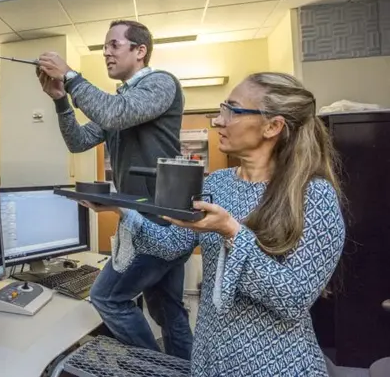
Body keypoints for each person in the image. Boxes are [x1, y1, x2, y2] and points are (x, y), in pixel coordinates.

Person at [87, 72, 346, 376]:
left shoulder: (313, 195)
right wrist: (122, 208)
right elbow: (172, 245)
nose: (218, 122)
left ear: (273, 126)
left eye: (233, 111)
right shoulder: (219, 183)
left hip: (275, 365)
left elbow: (293, 299)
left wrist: (231, 232)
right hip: (210, 360)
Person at [36, 20, 193, 359]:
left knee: (108, 297)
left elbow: (114, 113)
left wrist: (72, 76)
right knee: (167, 311)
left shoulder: (160, 83)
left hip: (159, 223)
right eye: (104, 46)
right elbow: (79, 141)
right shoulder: (122, 101)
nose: (106, 52)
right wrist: (61, 100)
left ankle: (153, 369)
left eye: (114, 45)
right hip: (148, 215)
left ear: (140, 51)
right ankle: (182, 369)